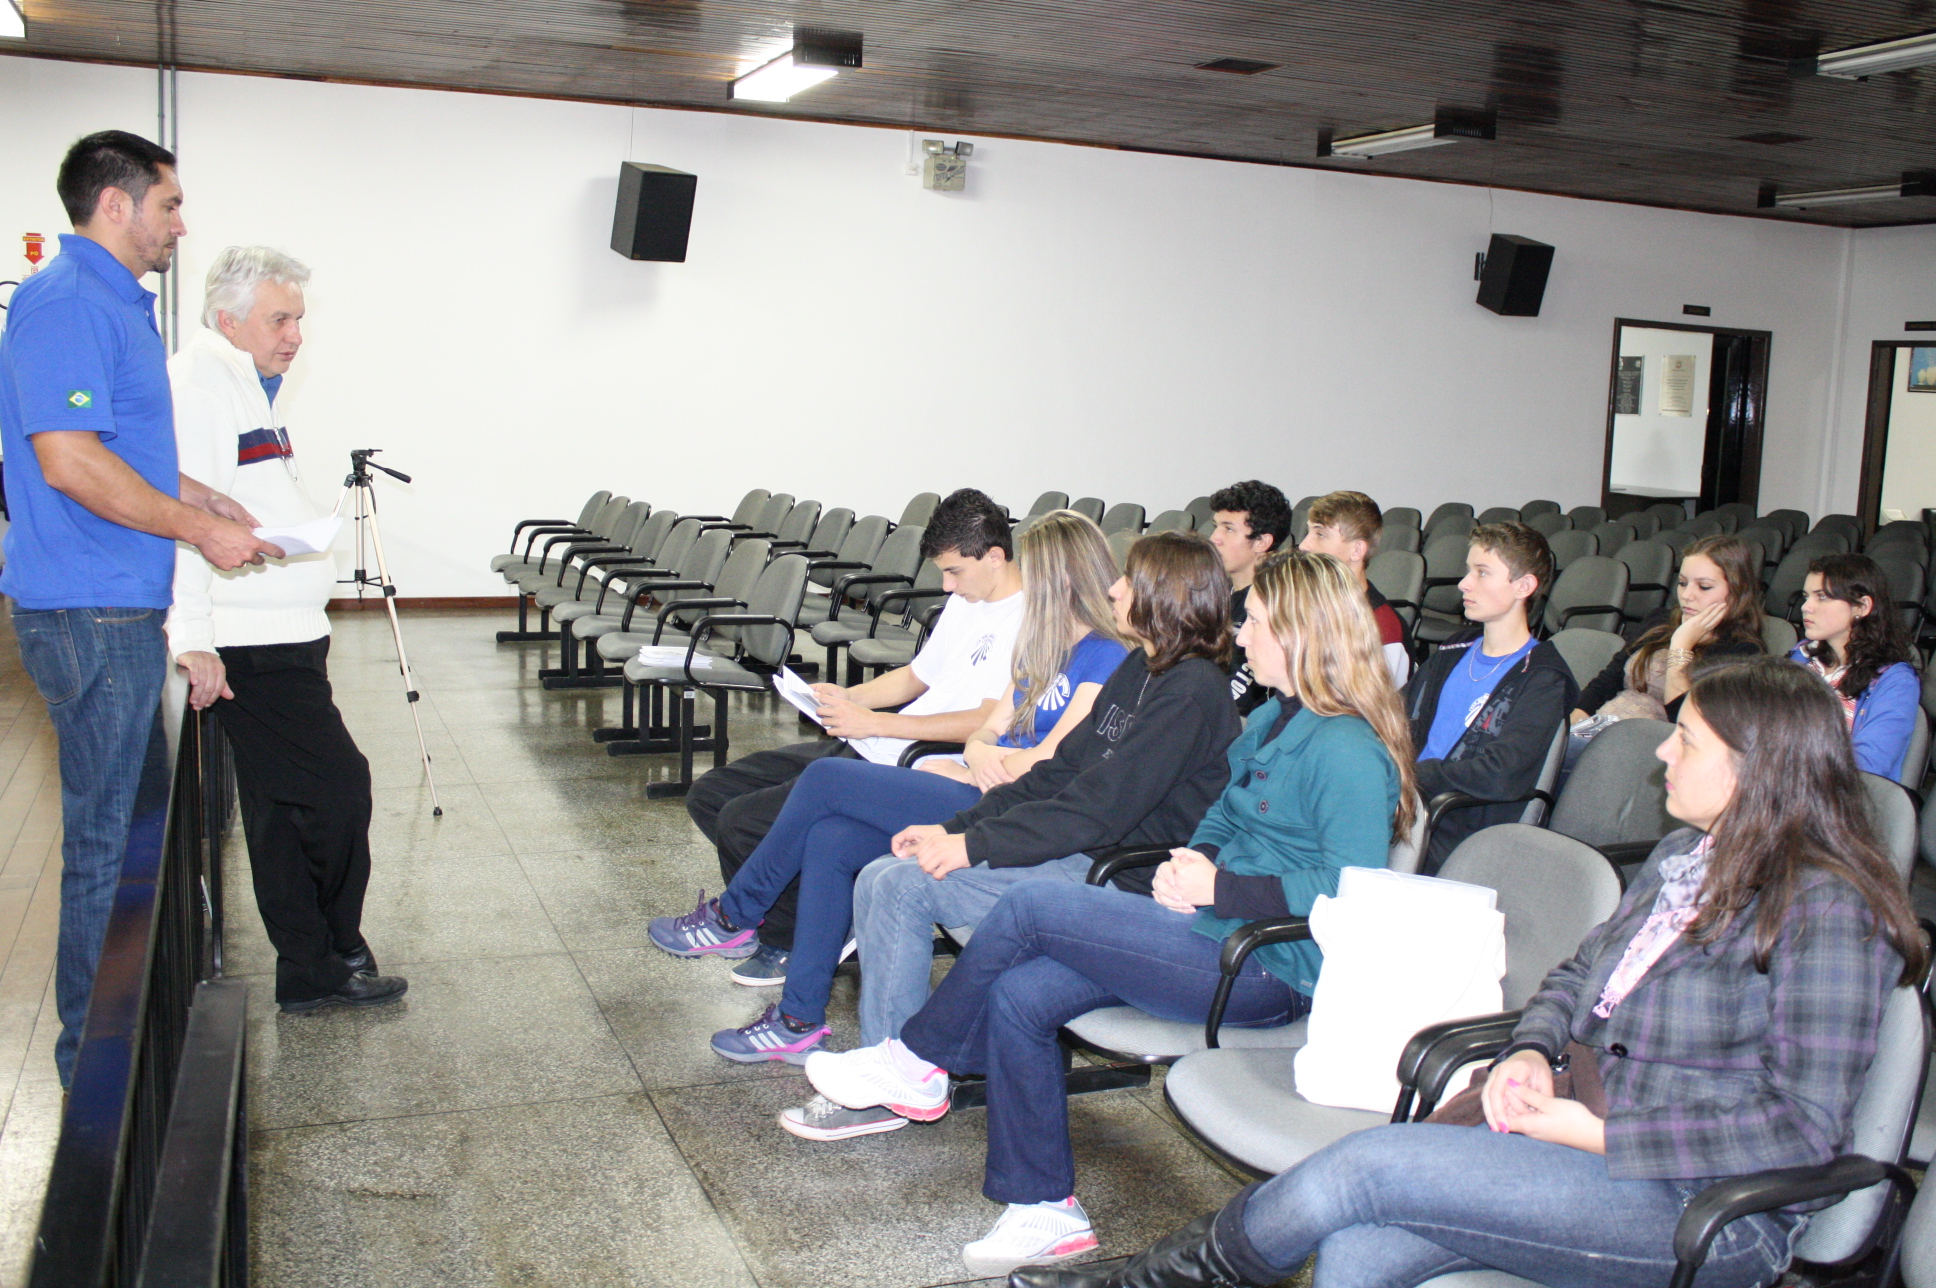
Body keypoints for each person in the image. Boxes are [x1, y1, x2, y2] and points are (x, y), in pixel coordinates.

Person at [1008, 656, 1926, 1288]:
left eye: (1685, 742)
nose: (1660, 751)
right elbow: (1577, 978)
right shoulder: (1691, 857)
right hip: (1588, 1121)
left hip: (1700, 1201)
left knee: (1364, 1173)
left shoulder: (1827, 912)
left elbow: (1801, 1127)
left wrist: (1594, 1131)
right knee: (1363, 1246)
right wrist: (1531, 1050)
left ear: (1758, 769)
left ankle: (1156, 1278)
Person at [805, 550, 1416, 1277]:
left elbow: (1348, 891)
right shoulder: (1274, 722)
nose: (1242, 635)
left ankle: (917, 1059)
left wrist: (1218, 889)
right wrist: (1193, 866)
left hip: (1265, 965)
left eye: (1255, 623)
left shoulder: (1346, 747)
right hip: (1202, 926)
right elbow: (1217, 815)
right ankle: (1045, 1211)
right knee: (1022, 994)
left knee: (1033, 904)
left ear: (1299, 634)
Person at [782, 531, 1241, 1141]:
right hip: (1078, 844)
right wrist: (953, 826)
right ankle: (897, 1068)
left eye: (1128, 582)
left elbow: (1096, 813)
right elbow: (1061, 773)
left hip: (1118, 873)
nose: (1113, 589)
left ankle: (907, 1079)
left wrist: (971, 846)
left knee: (904, 887)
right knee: (882, 873)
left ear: (1162, 595)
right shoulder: (1145, 667)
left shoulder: (1192, 691)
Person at [0, 131, 281, 1085]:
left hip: (113, 606)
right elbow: (69, 461)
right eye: (168, 204)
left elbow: (111, 448)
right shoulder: (69, 301)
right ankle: (98, 1068)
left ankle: (119, 1037)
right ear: (114, 205)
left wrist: (194, 495)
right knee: (106, 841)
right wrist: (196, 533)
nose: (180, 222)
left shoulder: (111, 306)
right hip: (91, 611)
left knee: (128, 834)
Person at [645, 511, 1129, 1062]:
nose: (1028, 588)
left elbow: (1050, 761)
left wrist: (981, 762)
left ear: (1067, 580)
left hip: (1004, 807)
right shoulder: (1046, 646)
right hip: (975, 779)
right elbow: (992, 725)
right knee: (829, 835)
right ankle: (798, 1019)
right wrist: (976, 752)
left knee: (825, 778)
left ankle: (736, 915)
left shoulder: (1108, 657)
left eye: (1037, 576)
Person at [165, 247, 407, 1013]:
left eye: (299, 318)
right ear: (229, 319)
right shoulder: (202, 387)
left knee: (280, 808)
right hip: (250, 642)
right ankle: (333, 950)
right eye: (281, 318)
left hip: (283, 630)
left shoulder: (247, 387)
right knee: (340, 790)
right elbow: (187, 520)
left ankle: (312, 967)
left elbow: (244, 494)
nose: (296, 334)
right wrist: (193, 633)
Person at [684, 487, 1026, 984]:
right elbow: (916, 677)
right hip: (880, 741)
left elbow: (993, 717)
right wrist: (851, 698)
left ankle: (789, 939)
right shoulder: (968, 601)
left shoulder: (1032, 618)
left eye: (954, 571)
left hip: (917, 756)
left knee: (743, 821)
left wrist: (881, 723)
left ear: (995, 556)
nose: (948, 586)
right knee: (712, 794)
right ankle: (817, 915)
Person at [1403, 522, 1577, 871]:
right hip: (1407, 809)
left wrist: (1413, 778)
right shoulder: (1453, 650)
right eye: (1469, 571)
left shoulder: (1542, 677)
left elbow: (1501, 772)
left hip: (1455, 826)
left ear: (1524, 586)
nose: (1464, 583)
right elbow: (1395, 717)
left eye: (1482, 573)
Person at [1566, 535, 1765, 766]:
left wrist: (1681, 645)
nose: (1687, 595)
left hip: (1654, 753)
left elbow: (1685, 721)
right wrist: (1570, 729)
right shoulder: (1659, 619)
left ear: (1736, 591)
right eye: (1682, 583)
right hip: (1602, 729)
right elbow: (1606, 682)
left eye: (1704, 586)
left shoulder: (1742, 652)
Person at [1790, 553, 1920, 779]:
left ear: (1861, 606)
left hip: (1833, 797)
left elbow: (1869, 764)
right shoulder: (1801, 655)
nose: (1806, 607)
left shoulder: (1895, 681)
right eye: (1806, 596)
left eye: (1821, 597)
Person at [1297, 489, 1412, 684]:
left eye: (1320, 534)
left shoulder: (1383, 629)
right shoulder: (1304, 603)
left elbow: (1379, 710)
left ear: (1357, 550)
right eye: (1309, 531)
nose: (1304, 545)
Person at [1204, 480, 1290, 716]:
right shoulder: (1217, 595)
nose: (1214, 538)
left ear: (1262, 542)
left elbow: (1239, 699)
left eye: (1228, 529)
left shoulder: (1273, 607)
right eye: (1216, 526)